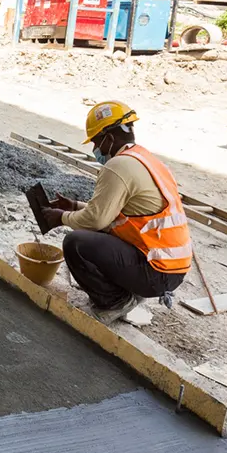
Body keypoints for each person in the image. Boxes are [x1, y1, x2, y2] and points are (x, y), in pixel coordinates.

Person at [41, 101, 193, 323]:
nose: (95, 149)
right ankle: (129, 293)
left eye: (95, 141)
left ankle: (115, 303)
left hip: (156, 271)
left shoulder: (117, 166)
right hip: (169, 267)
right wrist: (74, 206)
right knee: (101, 234)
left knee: (76, 243)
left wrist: (61, 217)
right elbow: (116, 215)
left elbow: (95, 220)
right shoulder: (144, 159)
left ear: (108, 138)